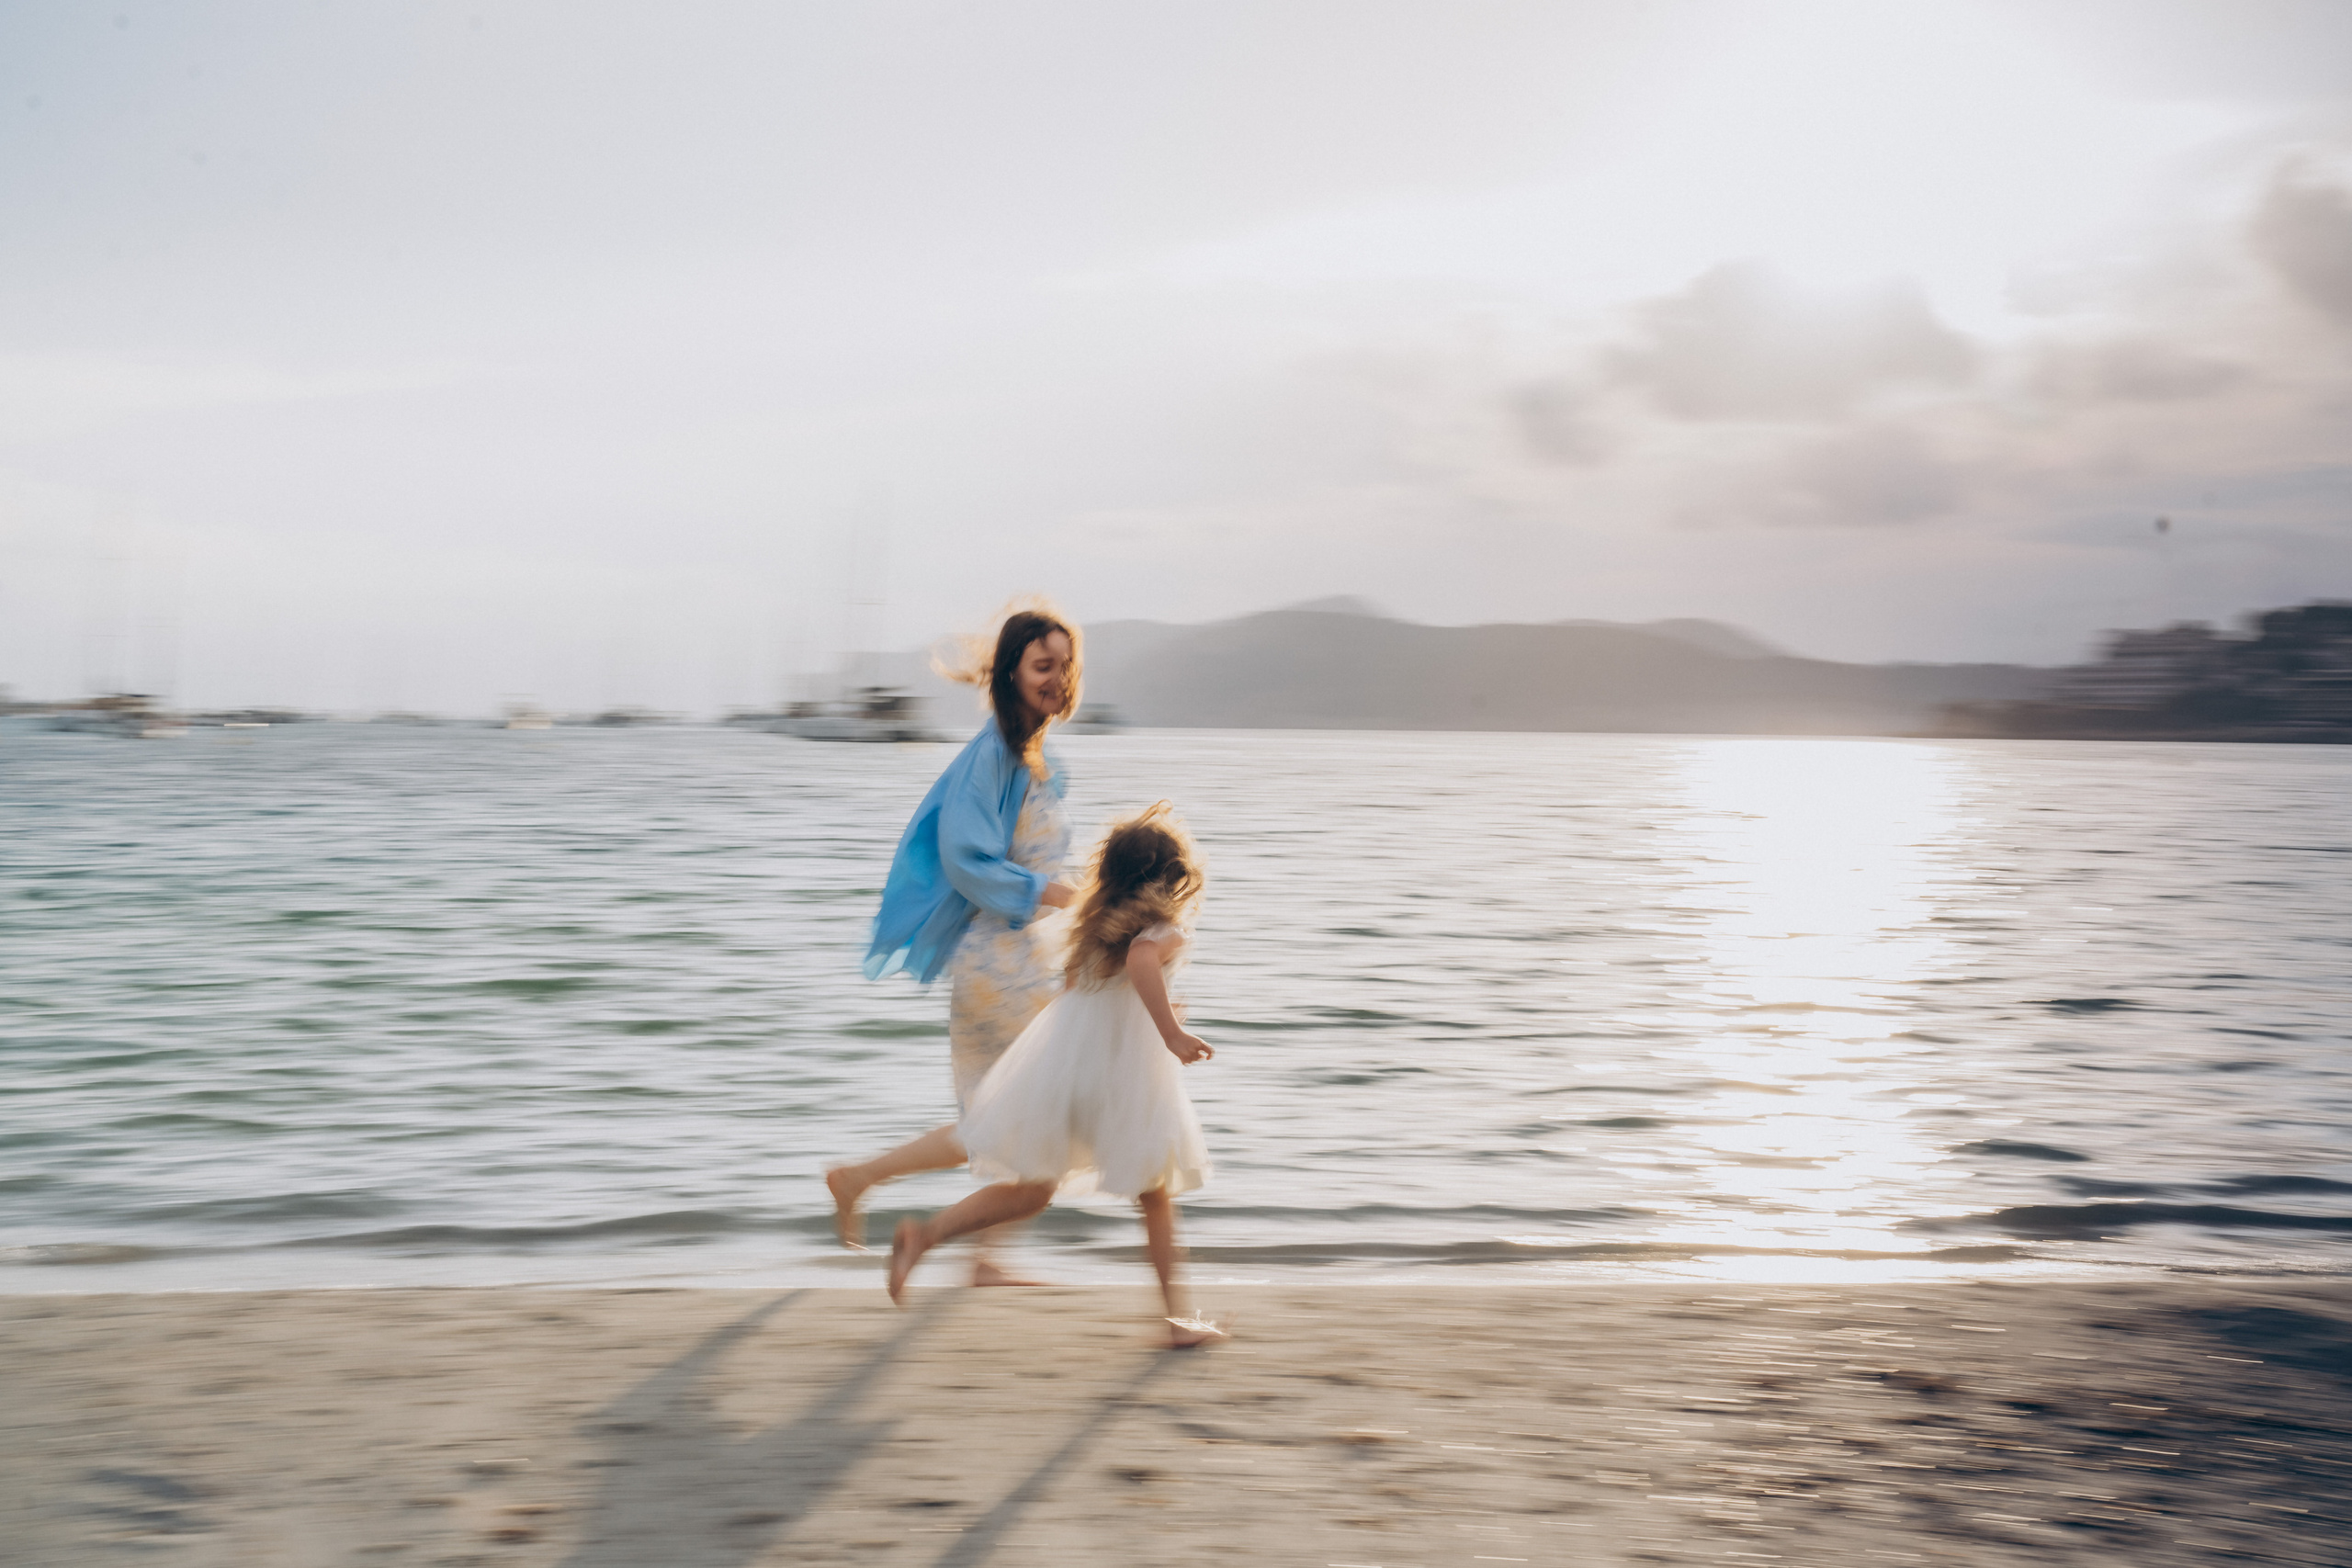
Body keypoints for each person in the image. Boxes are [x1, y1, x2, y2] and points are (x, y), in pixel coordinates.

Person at [886, 803, 1223, 1348]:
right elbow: (1141, 961)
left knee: (1033, 1191)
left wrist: (1147, 1016)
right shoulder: (1165, 931)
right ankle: (1176, 1321)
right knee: (1156, 1195)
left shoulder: (1091, 930)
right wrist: (1169, 1033)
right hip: (1119, 1079)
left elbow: (1082, 994)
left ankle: (924, 1237)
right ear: (1172, 878)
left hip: (1065, 1072)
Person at [825, 605, 1082, 1286]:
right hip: (999, 966)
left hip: (1028, 957)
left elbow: (1039, 858)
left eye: (1063, 664)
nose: (1056, 678)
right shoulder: (994, 754)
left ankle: (957, 1239)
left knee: (998, 1120)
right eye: (1041, 665)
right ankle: (933, 1227)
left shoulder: (1037, 754)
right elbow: (966, 858)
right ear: (1011, 673)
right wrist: (1053, 894)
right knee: (1018, 1125)